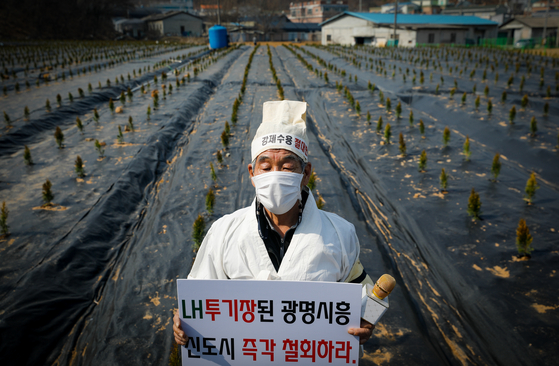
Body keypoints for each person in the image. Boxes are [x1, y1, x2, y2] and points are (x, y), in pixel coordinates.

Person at [173, 100, 374, 348]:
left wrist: (369, 321)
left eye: (288, 167)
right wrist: (185, 322)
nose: (276, 175)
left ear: (306, 173)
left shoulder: (339, 234)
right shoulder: (224, 233)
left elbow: (369, 295)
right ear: (252, 173)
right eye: (266, 167)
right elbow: (197, 299)